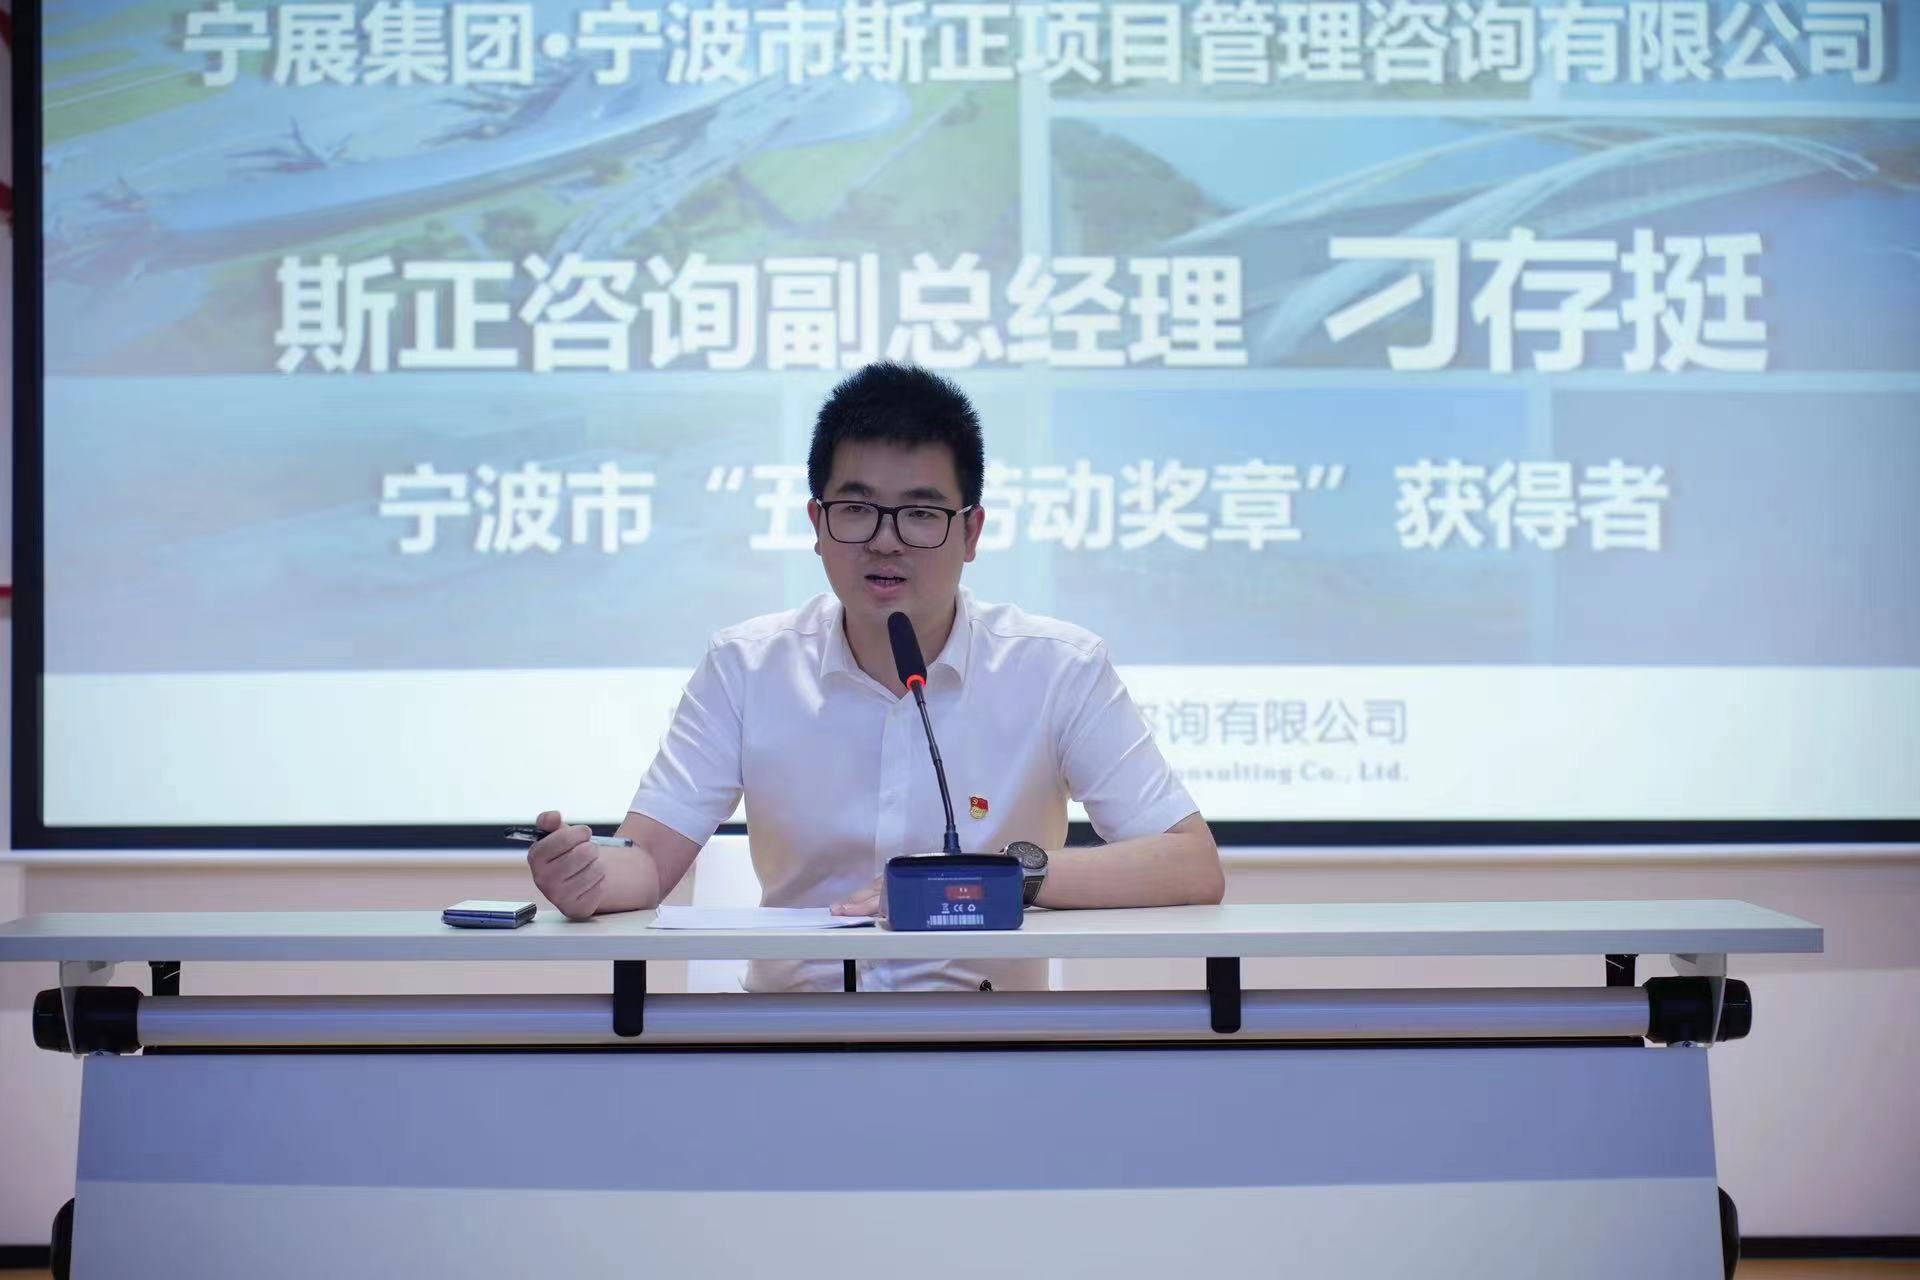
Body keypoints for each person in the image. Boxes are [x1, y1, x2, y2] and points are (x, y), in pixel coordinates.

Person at [526, 362, 1222, 992]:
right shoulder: (745, 667)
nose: (885, 540)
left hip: (989, 1043)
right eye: (857, 510)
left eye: (920, 514)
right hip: (788, 1042)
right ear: (817, 522)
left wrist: (995, 880)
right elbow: (646, 863)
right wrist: (584, 877)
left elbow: (1190, 864)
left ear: (971, 532)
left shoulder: (1058, 668)